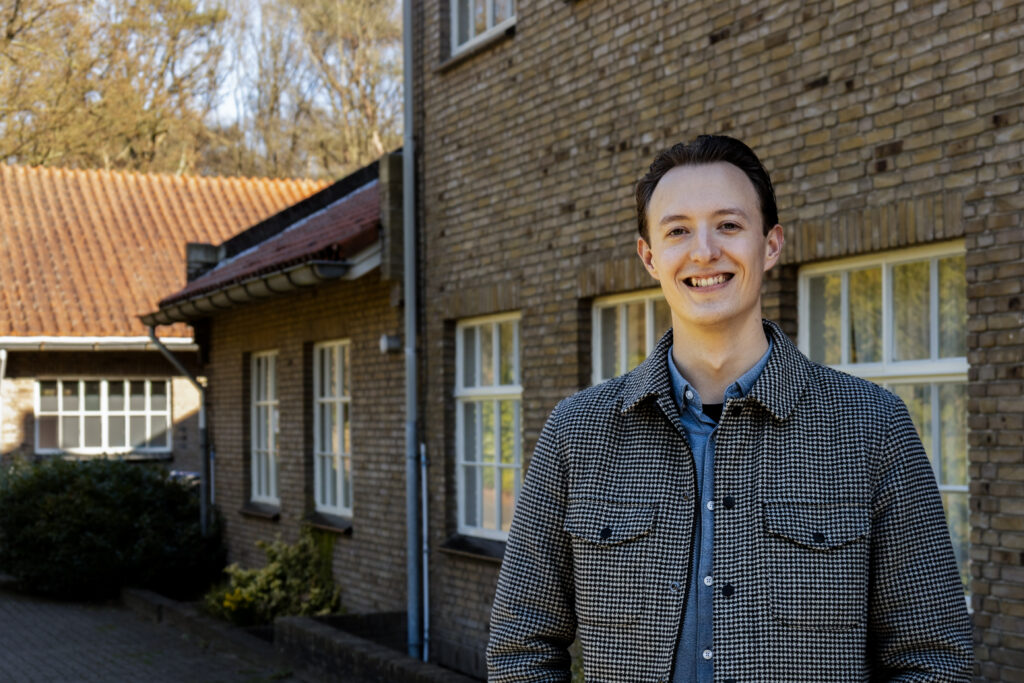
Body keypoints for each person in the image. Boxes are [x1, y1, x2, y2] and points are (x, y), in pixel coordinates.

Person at [486, 135, 972, 682]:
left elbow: (934, 658)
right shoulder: (576, 434)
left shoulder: (872, 427)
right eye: (677, 231)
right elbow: (520, 649)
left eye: (729, 225)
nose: (704, 251)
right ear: (649, 257)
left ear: (770, 244)